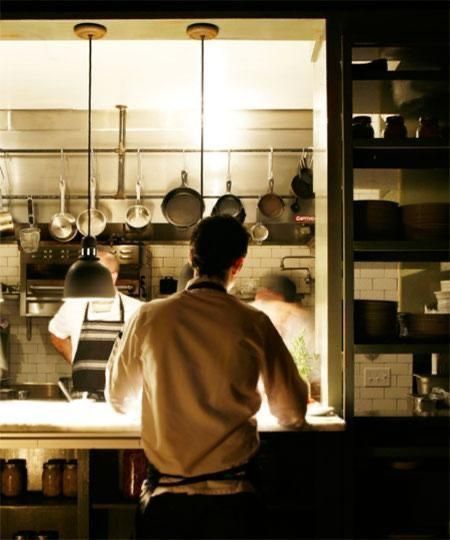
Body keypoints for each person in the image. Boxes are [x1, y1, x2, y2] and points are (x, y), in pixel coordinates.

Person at [105, 215, 308, 539]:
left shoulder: (148, 316)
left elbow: (118, 399)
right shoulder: (253, 322)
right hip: (235, 504)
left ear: (191, 257)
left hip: (166, 504)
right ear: (238, 265)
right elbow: (293, 413)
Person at [49, 247, 142, 395]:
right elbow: (56, 336)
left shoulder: (137, 309)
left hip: (123, 402)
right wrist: (77, 363)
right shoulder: (74, 305)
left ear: (113, 277)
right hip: (84, 402)